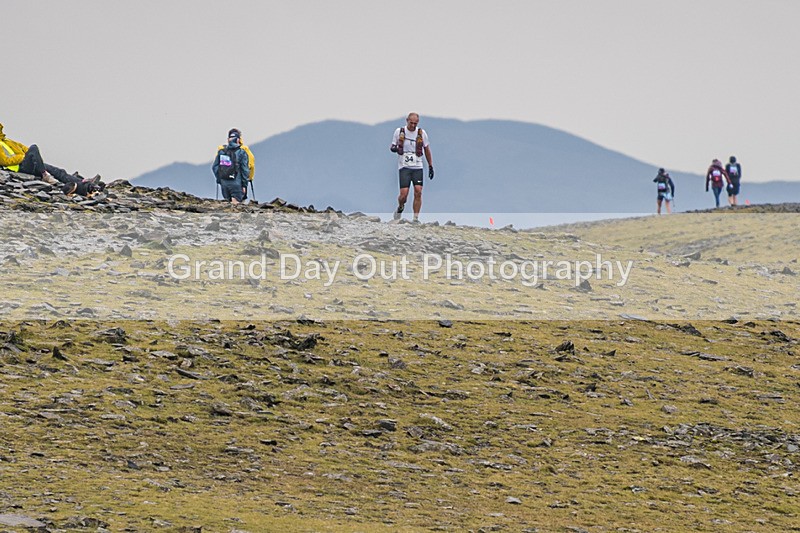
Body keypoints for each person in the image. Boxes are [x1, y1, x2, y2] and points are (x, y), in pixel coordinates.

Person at [0, 122, 102, 196]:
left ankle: (86, 184)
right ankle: (45, 175)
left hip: (27, 163)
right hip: (19, 168)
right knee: (34, 148)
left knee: (59, 172)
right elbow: (4, 161)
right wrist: (23, 157)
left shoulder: (7, 140)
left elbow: (25, 149)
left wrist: (27, 155)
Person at [390, 112, 433, 222]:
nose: (413, 126)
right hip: (404, 166)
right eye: (411, 123)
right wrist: (394, 148)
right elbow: (393, 145)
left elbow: (427, 149)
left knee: (418, 191)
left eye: (415, 123)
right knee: (404, 195)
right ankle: (400, 207)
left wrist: (430, 165)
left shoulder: (422, 133)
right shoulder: (399, 132)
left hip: (417, 165)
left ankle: (415, 218)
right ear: (407, 121)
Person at [212, 129, 250, 204]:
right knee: (236, 207)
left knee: (228, 206)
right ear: (238, 139)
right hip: (236, 183)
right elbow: (245, 170)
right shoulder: (241, 152)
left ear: (228, 139)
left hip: (224, 184)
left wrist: (220, 180)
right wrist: (244, 185)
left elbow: (214, 167)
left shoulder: (222, 152)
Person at [218, 128, 255, 200]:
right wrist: (249, 179)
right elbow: (250, 166)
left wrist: (219, 180)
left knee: (227, 203)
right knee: (237, 204)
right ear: (239, 139)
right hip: (238, 182)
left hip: (224, 182)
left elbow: (216, 167)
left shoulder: (222, 150)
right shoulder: (243, 150)